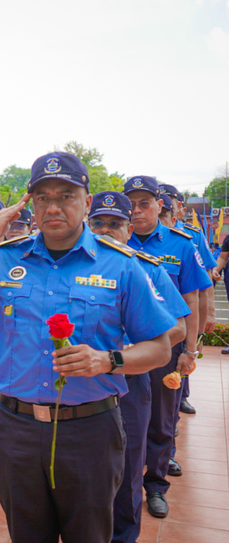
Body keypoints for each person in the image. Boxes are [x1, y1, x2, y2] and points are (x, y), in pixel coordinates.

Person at [0, 152, 177, 543]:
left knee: (89, 534)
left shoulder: (121, 265)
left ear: (87, 202)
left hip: (90, 430)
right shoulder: (6, 258)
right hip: (16, 429)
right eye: (42, 198)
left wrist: (106, 360)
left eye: (66, 195)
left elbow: (160, 349)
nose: (53, 206)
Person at [87, 191, 189, 543]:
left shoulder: (145, 267)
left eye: (114, 224)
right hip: (79, 387)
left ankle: (123, 536)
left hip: (129, 381)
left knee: (128, 467)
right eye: (97, 222)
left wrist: (134, 347)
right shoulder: (69, 267)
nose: (105, 230)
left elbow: (178, 325)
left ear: (128, 230)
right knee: (80, 474)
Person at [122, 175, 211, 517]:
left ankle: (156, 486)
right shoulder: (114, 243)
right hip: (123, 352)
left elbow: (192, 298)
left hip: (166, 348)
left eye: (144, 203)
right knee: (122, 421)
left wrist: (191, 350)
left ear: (160, 206)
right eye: (131, 204)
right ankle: (120, 483)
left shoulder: (180, 245)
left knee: (160, 422)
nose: (136, 211)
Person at [160, 184, 217, 417]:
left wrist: (209, 315)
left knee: (181, 357)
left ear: (178, 209)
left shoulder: (190, 237)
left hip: (181, 318)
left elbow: (204, 283)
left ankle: (180, 396)